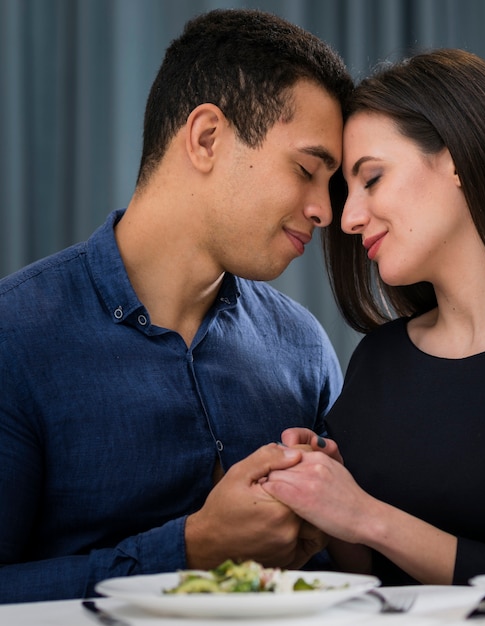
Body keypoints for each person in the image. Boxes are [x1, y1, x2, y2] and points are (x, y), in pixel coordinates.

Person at [0, 9, 353, 603]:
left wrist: (326, 521)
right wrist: (191, 548)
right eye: (306, 170)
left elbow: (343, 577)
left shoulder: (303, 346)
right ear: (207, 137)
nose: (326, 211)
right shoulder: (14, 337)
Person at [262, 48, 485, 587]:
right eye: (347, 193)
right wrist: (323, 490)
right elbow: (359, 577)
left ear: (456, 158)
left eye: (373, 178)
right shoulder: (380, 359)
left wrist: (368, 517)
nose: (349, 217)